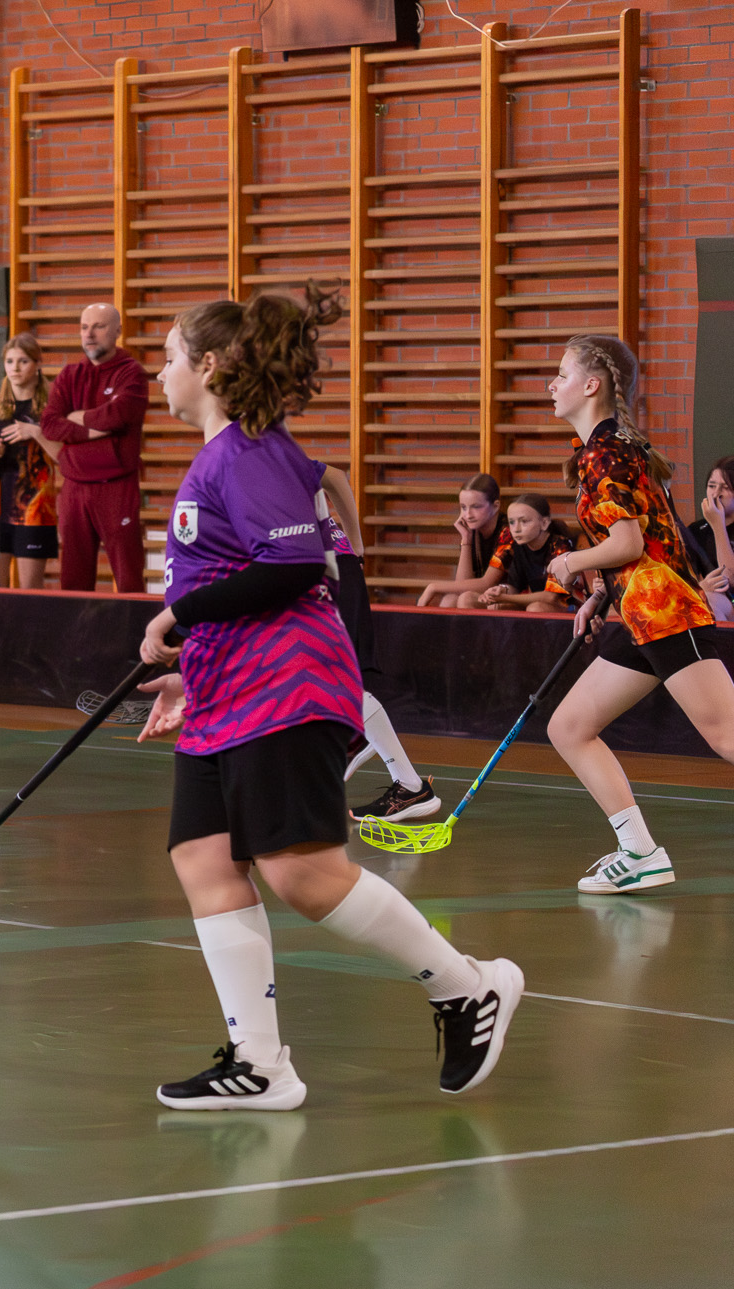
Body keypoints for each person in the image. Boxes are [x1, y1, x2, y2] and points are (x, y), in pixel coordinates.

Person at [133, 285, 524, 1110]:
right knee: (204, 857)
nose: (158, 373)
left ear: (209, 366)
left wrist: (178, 615)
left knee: (304, 875)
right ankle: (260, 1063)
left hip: (285, 688)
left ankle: (467, 984)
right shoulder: (223, 457)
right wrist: (192, 669)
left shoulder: (248, 452)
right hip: (228, 691)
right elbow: (242, 582)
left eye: (168, 357)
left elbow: (293, 564)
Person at [542, 334, 734, 894]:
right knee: (570, 727)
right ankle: (641, 853)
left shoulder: (606, 453)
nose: (552, 385)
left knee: (728, 737)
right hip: (639, 609)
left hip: (665, 609)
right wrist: (600, 595)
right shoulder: (615, 446)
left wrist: (571, 563)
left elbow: (627, 543)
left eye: (562, 374)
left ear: (591, 385)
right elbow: (653, 541)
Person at [315, 466, 441, 823]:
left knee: (334, 678)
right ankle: (353, 736)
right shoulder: (233, 462)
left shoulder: (264, 452)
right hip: (306, 568)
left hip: (328, 567)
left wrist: (356, 545)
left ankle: (405, 781)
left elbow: (334, 477)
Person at [38, 304, 149, 592]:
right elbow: (49, 424)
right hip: (74, 488)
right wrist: (94, 428)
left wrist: (79, 417)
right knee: (73, 580)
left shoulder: (132, 373)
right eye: (84, 327)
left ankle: (136, 624)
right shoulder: (69, 374)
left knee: (128, 577)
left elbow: (119, 415)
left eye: (98, 327)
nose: (89, 334)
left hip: (116, 487)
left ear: (117, 331)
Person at [0, 334, 60, 589]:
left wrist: (35, 432)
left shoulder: (51, 406)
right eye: (10, 362)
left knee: (29, 588)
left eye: (23, 361)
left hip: (35, 506)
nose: (15, 368)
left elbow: (62, 456)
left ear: (37, 364)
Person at [416, 474, 512, 608]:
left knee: (466, 599)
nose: (468, 515)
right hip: (488, 595)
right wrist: (466, 539)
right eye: (463, 507)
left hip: (511, 594)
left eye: (476, 507)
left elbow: (487, 583)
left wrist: (433, 587)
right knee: (450, 600)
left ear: (495, 506)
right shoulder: (473, 530)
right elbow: (462, 583)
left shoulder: (508, 532)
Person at [474, 494, 580, 614]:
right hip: (536, 603)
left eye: (524, 521)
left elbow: (551, 597)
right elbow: (515, 587)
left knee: (535, 609)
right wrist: (500, 590)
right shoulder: (517, 545)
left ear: (544, 523)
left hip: (570, 608)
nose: (516, 529)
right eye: (512, 522)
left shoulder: (560, 545)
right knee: (479, 601)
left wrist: (505, 598)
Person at [682, 454, 734, 622]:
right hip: (718, 604)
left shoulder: (716, 525)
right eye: (712, 486)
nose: (716, 494)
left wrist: (718, 525)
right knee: (705, 600)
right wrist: (700, 588)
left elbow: (731, 579)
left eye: (725, 488)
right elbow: (684, 580)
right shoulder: (696, 530)